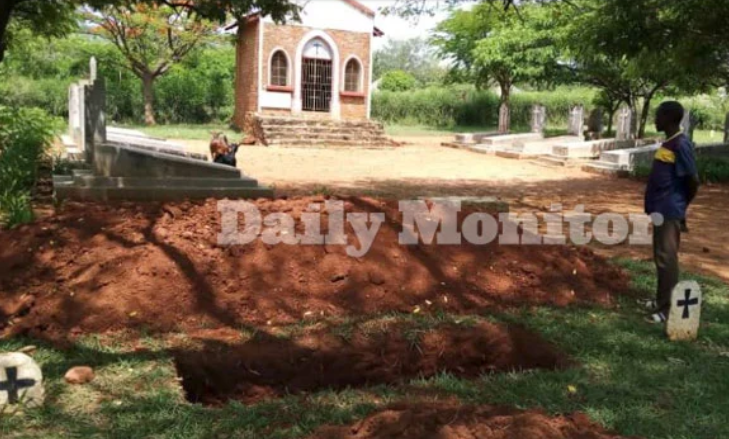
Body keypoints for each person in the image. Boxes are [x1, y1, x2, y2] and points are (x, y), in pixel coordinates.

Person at [642, 101, 700, 323]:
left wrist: (681, 207)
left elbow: (692, 180)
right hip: (661, 209)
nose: (655, 120)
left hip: (669, 209)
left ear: (668, 117)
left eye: (658, 115)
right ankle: (660, 300)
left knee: (667, 258)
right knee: (661, 256)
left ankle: (667, 310)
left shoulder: (681, 144)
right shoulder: (669, 142)